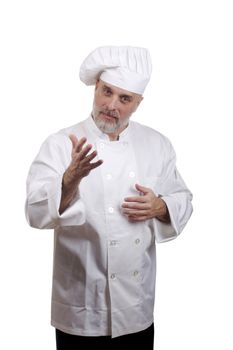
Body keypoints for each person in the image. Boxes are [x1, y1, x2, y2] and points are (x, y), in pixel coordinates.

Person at [25, 46, 193, 350]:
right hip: (80, 309)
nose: (111, 105)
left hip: (136, 306)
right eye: (106, 92)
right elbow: (34, 211)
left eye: (124, 98)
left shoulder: (157, 144)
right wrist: (69, 180)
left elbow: (183, 198)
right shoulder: (61, 143)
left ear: (138, 103)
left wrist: (162, 206)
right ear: (96, 88)